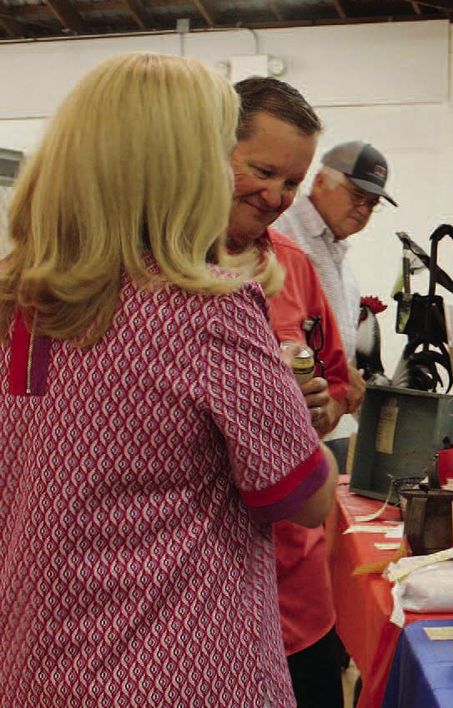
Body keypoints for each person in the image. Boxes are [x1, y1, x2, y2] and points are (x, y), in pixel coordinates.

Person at [0, 53, 335, 706]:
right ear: (178, 167)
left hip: (35, 667)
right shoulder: (201, 307)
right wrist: (298, 427)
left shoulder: (18, 298)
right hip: (178, 672)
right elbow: (305, 497)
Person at [223, 77, 350, 708]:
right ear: (217, 151)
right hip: (205, 605)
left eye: (292, 183)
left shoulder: (293, 265)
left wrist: (320, 411)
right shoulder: (156, 279)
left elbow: (334, 383)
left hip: (299, 595)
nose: (276, 196)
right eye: (263, 171)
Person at [275, 140, 397, 469]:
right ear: (319, 182)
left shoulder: (338, 255)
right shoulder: (283, 235)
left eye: (372, 204)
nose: (363, 210)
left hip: (325, 419)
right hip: (284, 420)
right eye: (356, 196)